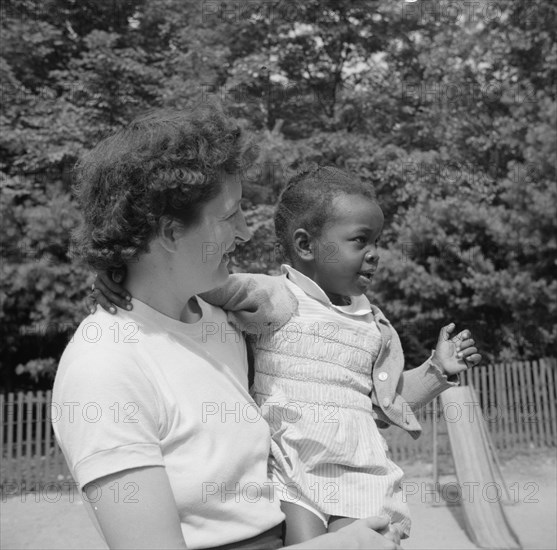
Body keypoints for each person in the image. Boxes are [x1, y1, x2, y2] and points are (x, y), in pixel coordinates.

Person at [52, 107, 403, 550]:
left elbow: (327, 396)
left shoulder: (227, 322)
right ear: (169, 231)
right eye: (230, 215)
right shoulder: (104, 368)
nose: (244, 232)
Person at [92, 165, 481, 545]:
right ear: (305, 245)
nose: (375, 254)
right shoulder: (277, 296)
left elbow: (387, 404)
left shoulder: (373, 326)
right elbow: (195, 282)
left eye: (377, 242)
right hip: (293, 469)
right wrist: (124, 269)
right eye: (360, 241)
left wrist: (436, 371)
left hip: (361, 469)